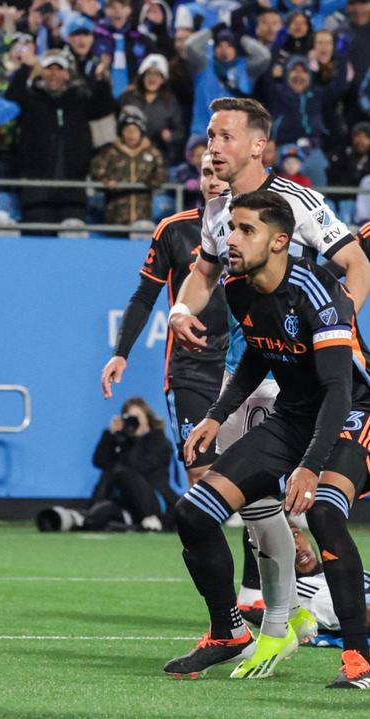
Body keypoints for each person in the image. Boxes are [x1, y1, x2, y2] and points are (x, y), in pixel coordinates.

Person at [170, 96, 370, 680]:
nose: (212, 147)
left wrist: (333, 324)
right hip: (291, 409)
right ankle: (230, 628)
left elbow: (337, 385)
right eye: (208, 136)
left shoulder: (306, 250)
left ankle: (359, 657)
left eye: (223, 136)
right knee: (195, 513)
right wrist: (215, 413)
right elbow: (257, 350)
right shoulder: (237, 278)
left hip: (349, 405)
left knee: (327, 513)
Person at [102, 152, 229, 488]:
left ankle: (272, 539)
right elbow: (144, 296)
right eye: (205, 173)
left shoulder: (258, 226)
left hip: (246, 366)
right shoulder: (174, 229)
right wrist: (120, 352)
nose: (213, 181)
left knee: (253, 475)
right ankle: (203, 543)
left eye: (219, 173)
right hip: (192, 367)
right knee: (200, 473)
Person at [2, 47, 117, 225]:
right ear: (41, 72)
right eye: (49, 69)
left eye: (59, 69)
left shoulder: (79, 100)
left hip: (73, 185)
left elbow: (104, 107)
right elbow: (11, 100)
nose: (54, 74)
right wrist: (26, 69)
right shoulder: (31, 99)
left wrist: (101, 79)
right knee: (37, 240)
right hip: (36, 187)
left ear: (67, 74)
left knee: (73, 242)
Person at [87, 397, 175, 531]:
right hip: (129, 505)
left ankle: (153, 520)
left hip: (155, 502)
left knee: (120, 471)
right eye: (130, 418)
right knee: (101, 509)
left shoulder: (158, 440)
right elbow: (100, 461)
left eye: (138, 417)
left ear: (147, 418)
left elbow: (137, 468)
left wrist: (133, 439)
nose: (134, 422)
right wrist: (110, 436)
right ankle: (88, 516)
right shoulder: (124, 441)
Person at [89, 105, 168, 226]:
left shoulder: (152, 152)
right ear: (121, 132)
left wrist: (152, 181)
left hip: (143, 217)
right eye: (127, 130)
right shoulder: (110, 152)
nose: (131, 134)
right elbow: (96, 172)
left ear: (141, 132)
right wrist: (107, 181)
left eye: (135, 130)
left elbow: (162, 174)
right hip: (115, 216)